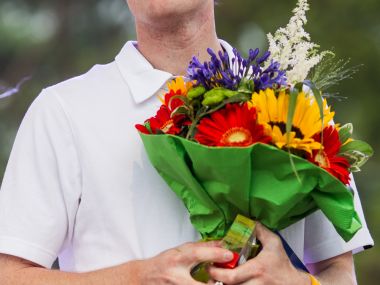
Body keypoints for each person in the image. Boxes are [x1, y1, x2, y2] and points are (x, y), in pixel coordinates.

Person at [0, 1, 373, 284]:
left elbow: (336, 267)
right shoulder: (62, 110)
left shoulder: (298, 106)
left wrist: (294, 281)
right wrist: (138, 276)